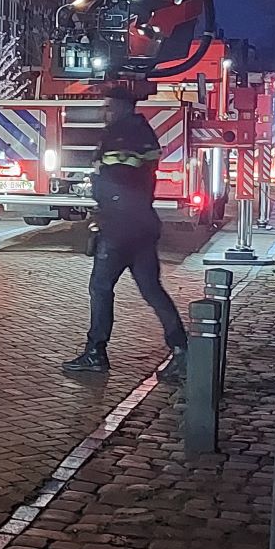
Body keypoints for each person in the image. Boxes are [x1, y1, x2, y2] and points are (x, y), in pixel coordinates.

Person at [62, 82, 188, 381]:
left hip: (120, 227)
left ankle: (96, 353)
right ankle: (183, 349)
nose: (104, 112)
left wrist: (103, 208)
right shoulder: (142, 132)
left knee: (101, 287)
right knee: (151, 289)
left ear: (121, 107)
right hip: (143, 223)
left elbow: (115, 180)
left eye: (108, 107)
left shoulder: (121, 135)